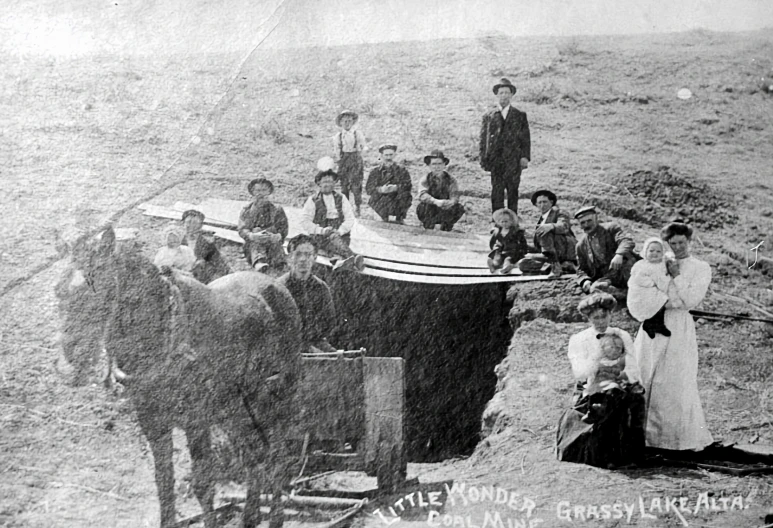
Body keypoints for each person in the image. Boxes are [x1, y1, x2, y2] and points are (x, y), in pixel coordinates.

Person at [632, 222, 713, 452]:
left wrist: (677, 276)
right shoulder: (660, 261)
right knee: (647, 374)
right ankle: (647, 438)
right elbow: (642, 285)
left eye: (681, 242)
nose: (677, 247)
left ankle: (676, 440)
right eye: (673, 243)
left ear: (690, 241)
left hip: (678, 324)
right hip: (654, 321)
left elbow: (690, 299)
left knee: (674, 379)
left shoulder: (700, 267)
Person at [556, 293, 646, 468]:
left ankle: (628, 455)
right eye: (595, 317)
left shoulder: (622, 335)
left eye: (603, 316)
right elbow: (580, 373)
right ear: (588, 318)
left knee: (624, 396)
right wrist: (596, 358)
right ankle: (605, 455)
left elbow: (633, 366)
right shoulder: (579, 339)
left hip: (619, 382)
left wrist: (622, 376)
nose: (600, 321)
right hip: (591, 384)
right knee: (606, 397)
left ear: (610, 315)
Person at [277, 235, 339, 353]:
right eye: (298, 254)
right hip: (285, 345)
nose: (302, 259)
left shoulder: (321, 288)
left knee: (338, 361)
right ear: (290, 257)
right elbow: (275, 325)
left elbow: (328, 322)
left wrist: (311, 342)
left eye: (308, 255)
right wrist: (304, 346)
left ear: (315, 258)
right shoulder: (279, 287)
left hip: (315, 342)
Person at [479, 78, 531, 213]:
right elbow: (483, 140)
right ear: (497, 95)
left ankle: (513, 221)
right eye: (501, 93)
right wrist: (483, 158)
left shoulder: (519, 115)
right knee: (497, 190)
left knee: (513, 190)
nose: (504, 95)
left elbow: (525, 138)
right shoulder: (489, 116)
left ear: (511, 95)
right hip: (496, 160)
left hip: (513, 160)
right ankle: (496, 221)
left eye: (507, 93)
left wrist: (525, 157)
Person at [300, 168, 364, 271]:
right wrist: (321, 230)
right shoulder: (313, 200)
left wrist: (340, 231)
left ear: (335, 183)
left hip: (341, 234)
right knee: (333, 239)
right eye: (324, 181)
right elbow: (305, 221)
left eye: (330, 181)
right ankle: (352, 257)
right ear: (319, 183)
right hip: (320, 235)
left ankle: (339, 260)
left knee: (335, 240)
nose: (327, 184)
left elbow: (350, 219)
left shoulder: (341, 198)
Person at [574, 206, 640, 294]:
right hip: (607, 277)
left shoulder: (611, 228)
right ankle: (624, 294)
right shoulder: (581, 245)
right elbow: (581, 269)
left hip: (624, 270)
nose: (586, 225)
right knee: (596, 288)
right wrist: (584, 280)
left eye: (589, 221)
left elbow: (626, 240)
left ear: (596, 219)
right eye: (582, 223)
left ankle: (632, 293)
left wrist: (619, 255)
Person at [517, 189, 577, 278]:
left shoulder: (560, 212)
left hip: (564, 248)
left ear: (551, 202)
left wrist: (550, 226)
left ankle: (555, 267)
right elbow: (541, 244)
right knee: (522, 263)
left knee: (544, 231)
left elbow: (564, 226)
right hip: (550, 253)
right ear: (536, 204)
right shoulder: (542, 219)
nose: (542, 205)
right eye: (539, 203)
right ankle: (562, 266)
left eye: (545, 202)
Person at [237, 177, 289, 272]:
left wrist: (278, 236)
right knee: (256, 230)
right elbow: (242, 229)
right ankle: (259, 261)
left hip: (272, 242)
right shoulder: (247, 210)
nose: (261, 193)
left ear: (269, 192)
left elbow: (283, 228)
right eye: (258, 190)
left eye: (264, 190)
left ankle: (278, 262)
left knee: (272, 234)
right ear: (253, 192)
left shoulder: (277, 209)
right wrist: (252, 236)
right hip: (253, 246)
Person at [627, 237, 673, 339]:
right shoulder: (641, 265)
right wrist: (652, 283)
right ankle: (649, 324)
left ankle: (659, 324)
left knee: (662, 301)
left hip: (655, 291)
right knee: (653, 301)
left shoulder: (661, 266)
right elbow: (638, 279)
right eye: (651, 250)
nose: (654, 253)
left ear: (662, 254)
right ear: (645, 251)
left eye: (658, 251)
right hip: (641, 293)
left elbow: (664, 278)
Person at [416, 149, 465, 231]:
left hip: (445, 207)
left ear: (444, 165)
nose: (437, 166)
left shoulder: (451, 179)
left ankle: (445, 227)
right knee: (421, 207)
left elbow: (455, 194)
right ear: (429, 166)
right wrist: (435, 201)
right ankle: (429, 226)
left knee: (458, 208)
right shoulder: (425, 179)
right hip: (431, 206)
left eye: (440, 164)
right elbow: (422, 195)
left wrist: (451, 202)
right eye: (434, 164)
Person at [181, 209, 232, 284]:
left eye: (195, 223)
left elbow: (221, 265)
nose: (191, 226)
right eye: (188, 222)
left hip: (201, 282)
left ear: (201, 226)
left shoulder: (207, 245)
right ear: (183, 224)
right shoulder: (177, 243)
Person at [364, 144, 412, 223]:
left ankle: (399, 218)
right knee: (374, 198)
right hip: (382, 197)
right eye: (386, 155)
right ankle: (384, 217)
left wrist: (396, 187)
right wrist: (380, 189)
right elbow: (368, 189)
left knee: (405, 196)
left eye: (391, 155)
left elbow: (408, 186)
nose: (388, 158)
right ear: (381, 156)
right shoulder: (375, 171)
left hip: (397, 196)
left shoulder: (402, 170)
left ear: (394, 155)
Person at [332, 110, 366, 217]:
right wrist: (340, 162)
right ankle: (345, 208)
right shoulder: (338, 136)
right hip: (344, 161)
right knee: (344, 186)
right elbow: (337, 150)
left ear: (353, 122)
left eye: (349, 121)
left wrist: (359, 152)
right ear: (341, 123)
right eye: (345, 121)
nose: (347, 123)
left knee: (356, 186)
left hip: (355, 160)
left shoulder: (357, 134)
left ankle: (358, 208)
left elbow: (363, 146)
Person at [487, 208, 528, 274]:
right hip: (501, 251)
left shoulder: (515, 231)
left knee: (508, 259)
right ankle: (493, 265)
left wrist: (523, 250)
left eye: (506, 221)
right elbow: (492, 241)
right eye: (502, 222)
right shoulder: (498, 231)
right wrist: (493, 248)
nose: (504, 224)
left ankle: (506, 267)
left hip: (512, 251)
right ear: (499, 222)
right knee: (498, 259)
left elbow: (523, 241)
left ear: (511, 221)